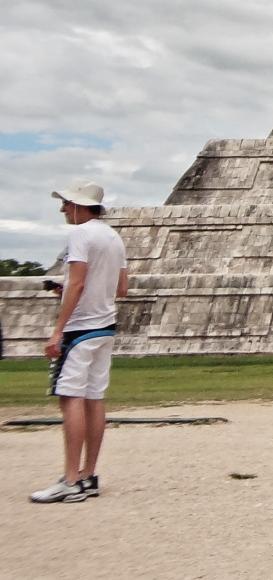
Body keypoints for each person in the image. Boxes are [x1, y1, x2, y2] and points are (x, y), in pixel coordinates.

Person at [30, 179, 129, 504]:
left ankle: (70, 480)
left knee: (70, 396)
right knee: (94, 398)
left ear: (79, 206)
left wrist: (58, 330)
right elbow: (121, 289)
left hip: (80, 329)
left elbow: (77, 283)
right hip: (105, 327)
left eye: (66, 203)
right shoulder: (113, 237)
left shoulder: (81, 234)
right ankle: (88, 475)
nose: (62, 208)